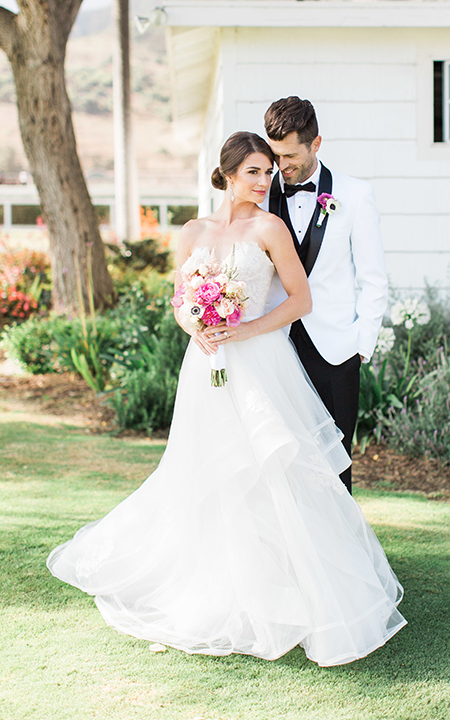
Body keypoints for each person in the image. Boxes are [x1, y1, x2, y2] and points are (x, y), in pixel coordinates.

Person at [47, 132, 406, 666]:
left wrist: (247, 329)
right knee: (206, 466)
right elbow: (177, 302)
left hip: (259, 363)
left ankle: (287, 585)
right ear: (228, 174)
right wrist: (195, 325)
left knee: (267, 467)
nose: (266, 182)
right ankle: (212, 579)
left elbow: (301, 299)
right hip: (205, 365)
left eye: (269, 172)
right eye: (255, 173)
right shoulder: (192, 231)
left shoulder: (270, 227)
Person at [263, 97, 388, 494]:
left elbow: (374, 279)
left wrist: (360, 347)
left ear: (316, 144)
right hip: (272, 346)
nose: (281, 165)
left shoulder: (355, 195)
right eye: (274, 154)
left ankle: (341, 552)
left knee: (335, 462)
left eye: (289, 155)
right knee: (276, 457)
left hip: (336, 349)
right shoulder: (260, 196)